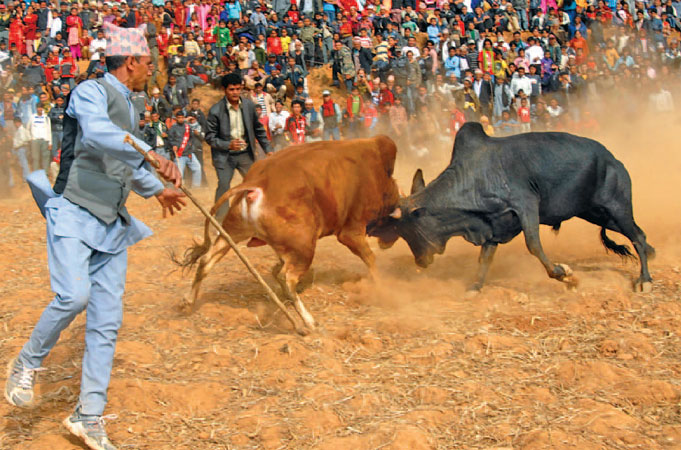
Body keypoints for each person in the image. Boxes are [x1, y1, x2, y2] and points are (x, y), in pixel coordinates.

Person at [4, 23, 185, 450]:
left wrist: (158, 189)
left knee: (106, 323)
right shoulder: (91, 92)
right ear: (131, 62)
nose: (150, 70)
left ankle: (88, 415)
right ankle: (26, 363)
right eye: (147, 63)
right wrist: (151, 153)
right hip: (74, 214)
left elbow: (120, 164)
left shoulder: (130, 103)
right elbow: (101, 135)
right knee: (73, 297)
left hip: (111, 225)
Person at [205, 72, 271, 219]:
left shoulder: (248, 106)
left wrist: (268, 149)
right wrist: (228, 144)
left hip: (245, 154)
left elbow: (258, 129)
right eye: (231, 89)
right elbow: (210, 137)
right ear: (224, 90)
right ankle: (220, 221)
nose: (235, 93)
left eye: (238, 89)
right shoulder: (215, 110)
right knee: (223, 186)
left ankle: (257, 217)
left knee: (255, 185)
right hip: (224, 156)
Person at [169, 109, 202, 187]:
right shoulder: (173, 128)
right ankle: (178, 189)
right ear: (176, 118)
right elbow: (170, 139)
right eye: (179, 117)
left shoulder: (188, 127)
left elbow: (191, 138)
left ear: (184, 118)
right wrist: (173, 145)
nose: (181, 119)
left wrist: (190, 146)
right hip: (179, 155)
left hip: (189, 154)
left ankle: (196, 187)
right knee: (179, 174)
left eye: (182, 117)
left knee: (197, 169)